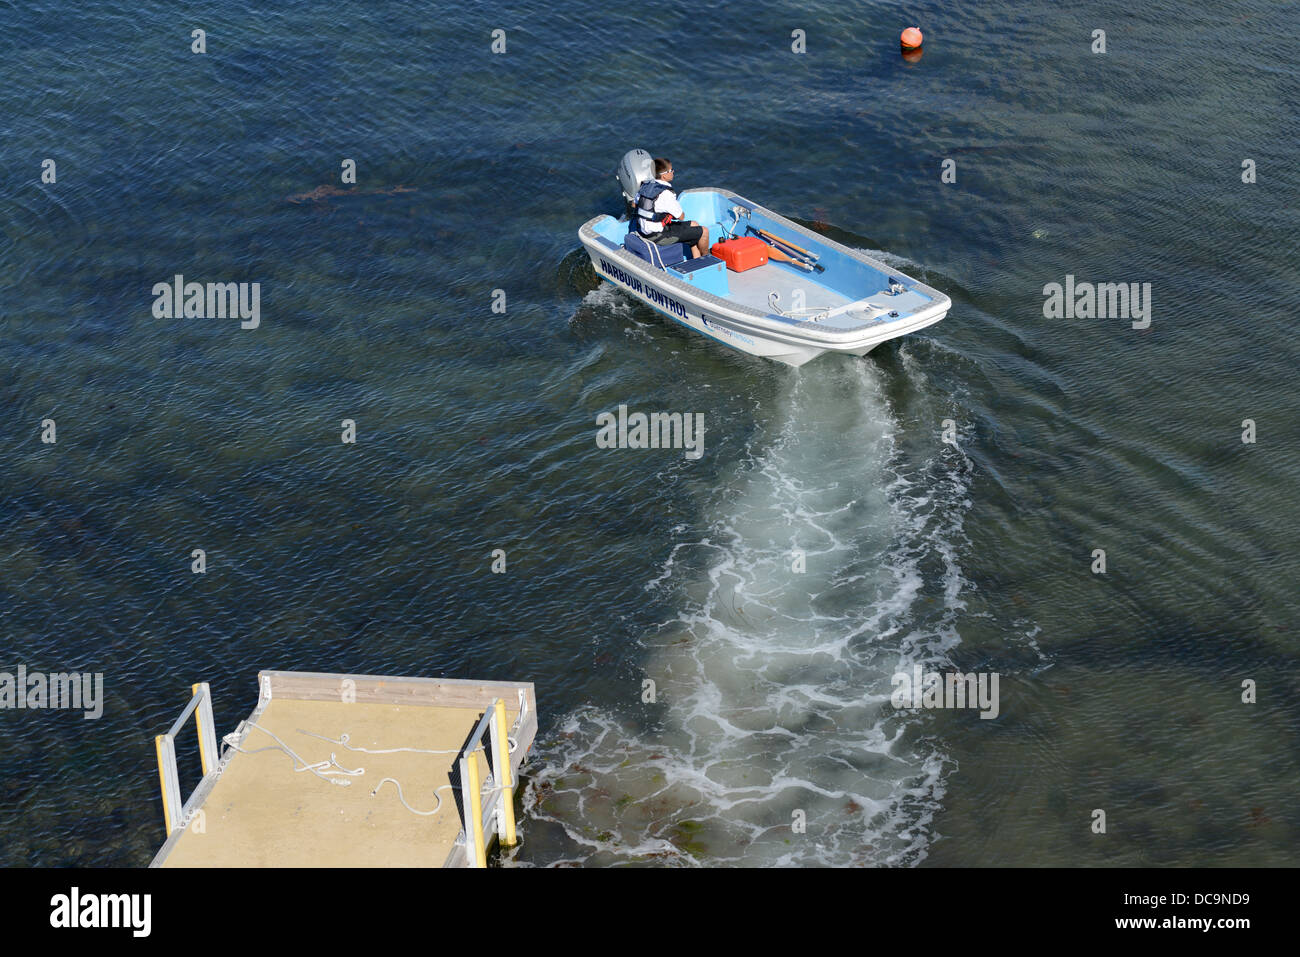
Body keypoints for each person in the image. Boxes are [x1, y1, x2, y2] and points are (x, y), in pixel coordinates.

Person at [633, 158, 710, 259]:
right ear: (664, 175)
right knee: (704, 231)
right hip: (658, 235)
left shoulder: (645, 186)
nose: (673, 172)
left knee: (694, 225)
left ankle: (697, 258)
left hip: (644, 230)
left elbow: (634, 205)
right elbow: (681, 217)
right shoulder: (666, 194)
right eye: (671, 170)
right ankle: (706, 257)